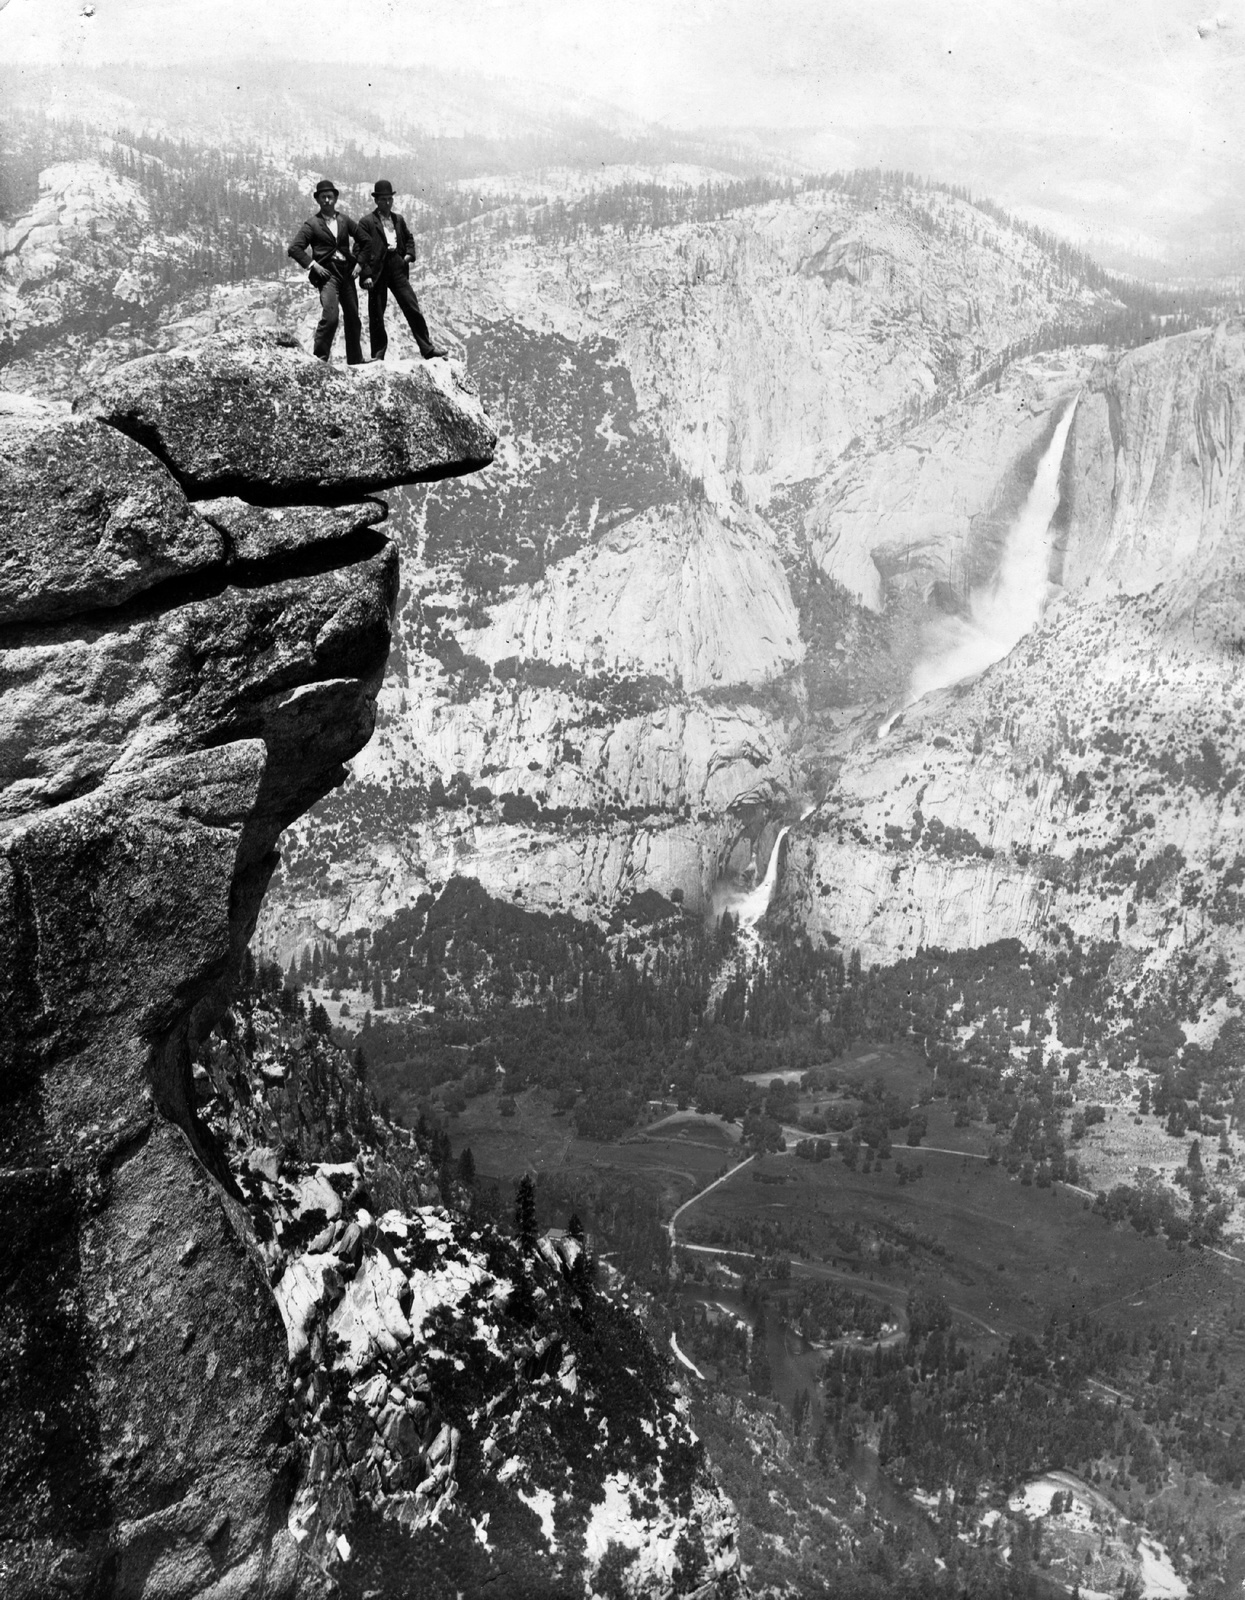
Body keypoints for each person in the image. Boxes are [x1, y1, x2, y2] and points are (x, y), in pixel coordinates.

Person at [354, 179, 448, 362]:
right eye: (383, 199)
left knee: (412, 306)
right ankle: (378, 355)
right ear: (376, 201)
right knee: (376, 314)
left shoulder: (398, 219)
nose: (387, 203)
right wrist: (365, 274)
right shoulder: (366, 222)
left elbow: (409, 238)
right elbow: (358, 249)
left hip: (397, 266)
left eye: (389, 199)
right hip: (377, 271)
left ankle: (427, 349)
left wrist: (408, 256)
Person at [287, 179, 364, 365]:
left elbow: (365, 239)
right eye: (323, 197)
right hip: (328, 276)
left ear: (336, 198)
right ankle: (320, 359)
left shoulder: (344, 220)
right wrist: (313, 265)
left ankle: (355, 361)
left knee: (353, 317)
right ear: (318, 200)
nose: (327, 200)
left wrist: (360, 263)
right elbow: (294, 248)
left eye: (330, 197)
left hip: (347, 273)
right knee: (330, 317)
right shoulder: (312, 224)